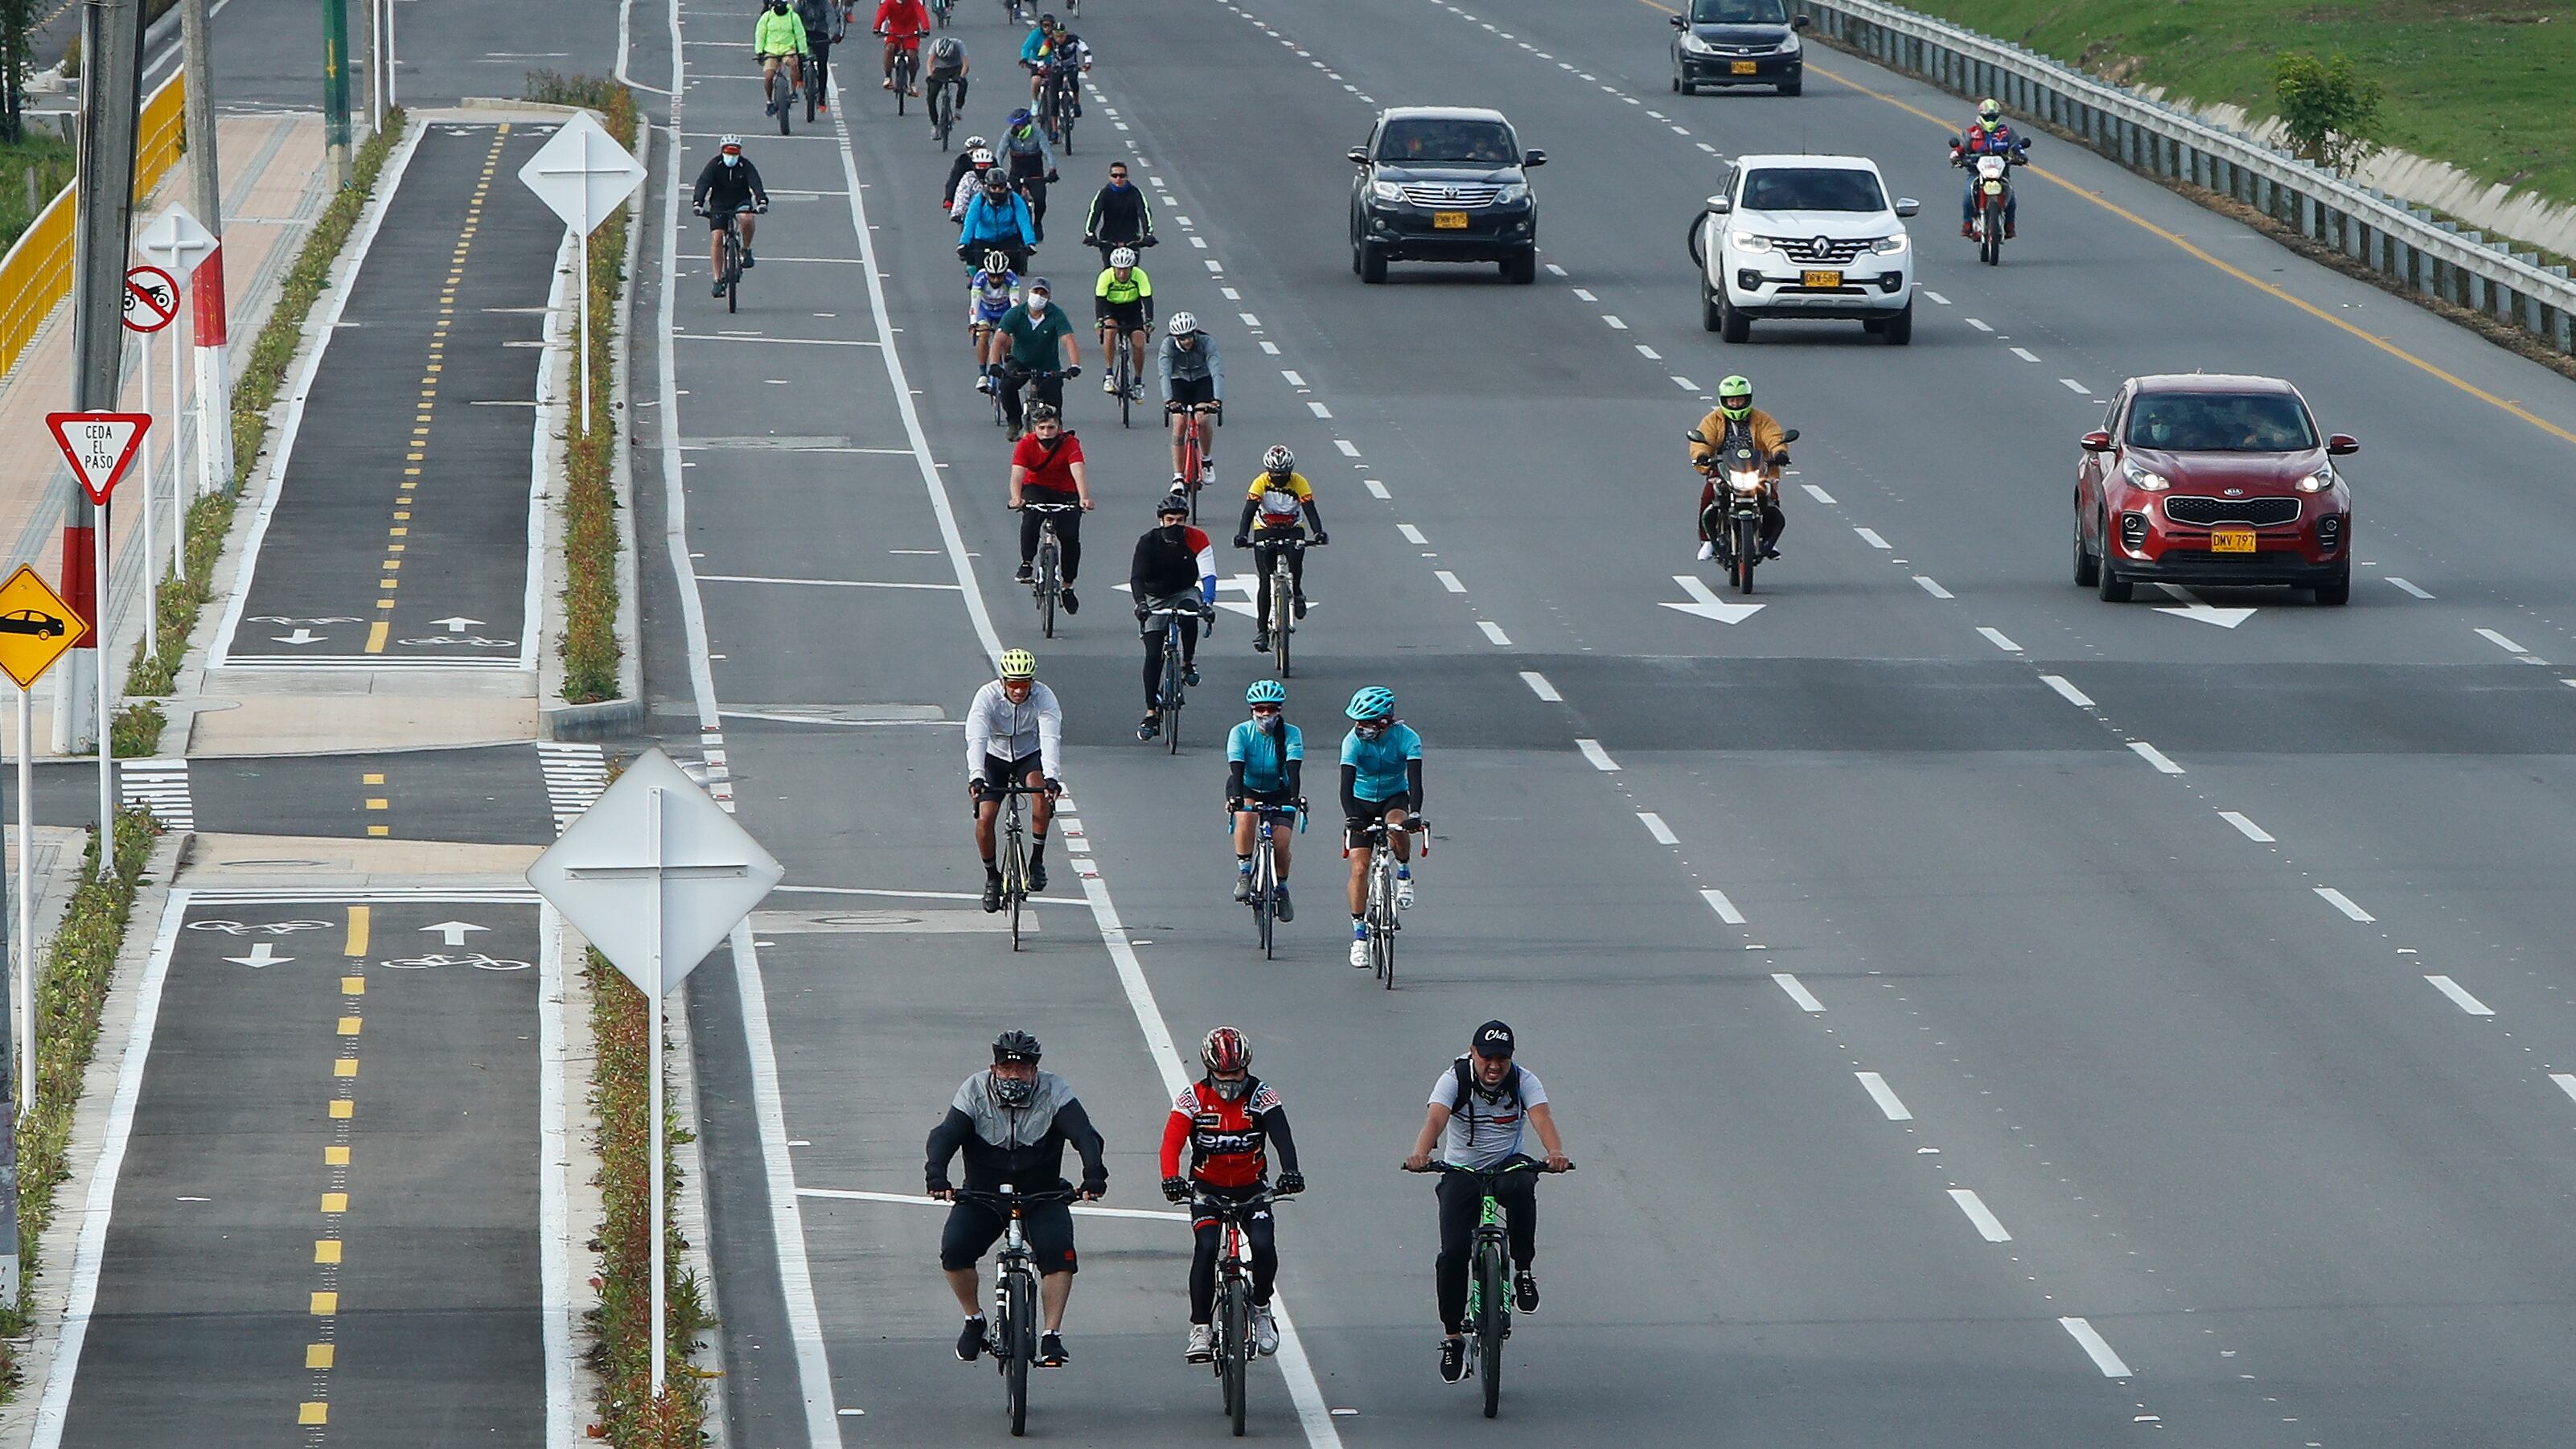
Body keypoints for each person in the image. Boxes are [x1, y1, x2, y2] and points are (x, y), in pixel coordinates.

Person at [926, 1031, 1108, 1369]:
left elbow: (1084, 1134)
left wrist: (1094, 1175)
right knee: (954, 1251)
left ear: (1035, 1071)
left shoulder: (1056, 1091)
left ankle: (1051, 1334)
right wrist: (936, 1176)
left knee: (1059, 1254)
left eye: (1022, 1069)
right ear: (993, 1068)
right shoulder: (974, 1090)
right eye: (1006, 1069)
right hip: (984, 1193)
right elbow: (946, 1135)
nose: (1013, 1075)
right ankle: (973, 1319)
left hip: (1042, 1192)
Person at [1402, 1020, 1571, 1385]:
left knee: (1523, 1185)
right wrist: (1420, 1154)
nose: (1494, 1066)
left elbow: (1541, 1117)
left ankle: (1523, 1271)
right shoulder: (1454, 1079)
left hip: (1507, 1164)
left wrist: (1554, 1152)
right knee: (1452, 1255)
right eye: (1487, 1057)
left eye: (1502, 1059)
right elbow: (1435, 1119)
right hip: (1462, 1170)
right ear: (1472, 1052)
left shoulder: (1524, 1080)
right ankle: (1452, 1338)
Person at [1160, 1027, 1305, 1363]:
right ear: (1209, 1070)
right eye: (1222, 1074)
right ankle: (1200, 1328)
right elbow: (1171, 1143)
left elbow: (1283, 1136)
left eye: (1237, 1073)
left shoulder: (1261, 1095)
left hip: (1252, 1190)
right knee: (1207, 1247)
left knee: (1264, 1245)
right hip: (1207, 1191)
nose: (1230, 1081)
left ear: (1248, 1068)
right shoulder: (1192, 1098)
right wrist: (1171, 1179)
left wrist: (1291, 1171)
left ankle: (1261, 1308)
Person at [963, 649, 1065, 907]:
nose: (1019, 691)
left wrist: (1052, 778)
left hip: (1028, 754)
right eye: (1013, 684)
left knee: (1041, 795)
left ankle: (1036, 861)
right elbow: (976, 738)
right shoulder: (986, 697)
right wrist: (976, 777)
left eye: (1024, 684)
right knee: (985, 817)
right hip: (994, 757)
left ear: (1032, 682)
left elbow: (1050, 738)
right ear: (1003, 682)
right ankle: (992, 877)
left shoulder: (1045, 697)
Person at [1338, 686, 1421, 967]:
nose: (1360, 728)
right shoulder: (1353, 741)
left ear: (1385, 721)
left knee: (1398, 825)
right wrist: (1352, 817)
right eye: (1357, 722)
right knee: (1360, 868)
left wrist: (1417, 813)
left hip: (1394, 797)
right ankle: (1360, 936)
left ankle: (1404, 872)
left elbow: (1416, 781)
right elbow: (1345, 787)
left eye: (1367, 723)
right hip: (1361, 801)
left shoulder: (1407, 738)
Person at [1131, 494, 1218, 741]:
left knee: (1190, 615)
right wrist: (1141, 604)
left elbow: (1209, 574)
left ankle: (1188, 663)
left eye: (1180, 520)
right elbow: (1136, 577)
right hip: (1154, 596)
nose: (1175, 525)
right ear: (1161, 521)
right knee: (1152, 654)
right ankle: (1150, 712)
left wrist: (1208, 604)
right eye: (1170, 520)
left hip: (1184, 591)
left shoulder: (1197, 538)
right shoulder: (1147, 542)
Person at [1233, 445, 1326, 654]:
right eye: (1274, 474)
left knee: (1295, 562)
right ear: (1268, 471)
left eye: (1283, 474)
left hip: (1292, 528)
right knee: (1265, 579)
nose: (1278, 478)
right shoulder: (1260, 482)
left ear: (1290, 471)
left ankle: (1298, 591)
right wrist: (1242, 535)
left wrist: (1318, 532)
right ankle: (1262, 632)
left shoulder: (1299, 482)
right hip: (1265, 529)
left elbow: (1310, 510)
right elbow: (1248, 511)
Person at [1689, 375, 1790, 563]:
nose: (1736, 404)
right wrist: (1702, 455)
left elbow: (1774, 437)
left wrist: (1779, 453)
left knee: (1771, 498)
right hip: (1723, 469)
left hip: (1756, 469)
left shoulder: (1761, 419)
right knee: (1708, 496)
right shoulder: (1713, 420)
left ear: (1748, 399)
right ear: (1724, 401)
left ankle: (1768, 540)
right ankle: (1707, 541)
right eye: (1732, 400)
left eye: (1740, 400)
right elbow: (1702, 440)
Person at [1225, 679, 1303, 916]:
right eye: (1260, 709)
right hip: (1247, 786)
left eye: (1271, 709)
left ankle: (1282, 887)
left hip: (1280, 790)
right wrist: (1236, 800)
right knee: (1246, 819)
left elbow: (1293, 769)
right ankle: (1245, 873)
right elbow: (1236, 768)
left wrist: (1294, 799)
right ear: (1252, 710)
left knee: (1280, 842)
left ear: (1279, 710)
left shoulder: (1291, 733)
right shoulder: (1240, 733)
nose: (1266, 714)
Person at [1008, 404, 1093, 600]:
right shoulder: (1025, 444)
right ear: (1034, 429)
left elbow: (1078, 470)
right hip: (1036, 489)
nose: (1047, 433)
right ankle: (1027, 563)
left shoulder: (1070, 443)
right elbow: (1017, 475)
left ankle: (1068, 586)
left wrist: (1084, 498)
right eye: (1042, 428)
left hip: (1066, 492)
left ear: (1059, 428)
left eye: (1051, 428)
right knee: (1030, 519)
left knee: (1070, 537)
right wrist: (1016, 498)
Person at [995, 279, 1081, 438]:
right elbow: (999, 339)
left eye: (1043, 293)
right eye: (1036, 292)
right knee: (1006, 385)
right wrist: (994, 364)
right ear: (1028, 293)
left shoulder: (1056, 314)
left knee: (1054, 398)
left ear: (1049, 297)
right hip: (1020, 361)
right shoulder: (1015, 313)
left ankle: (1057, 431)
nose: (1039, 296)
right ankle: (1014, 422)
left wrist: (1075, 365)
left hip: (1048, 364)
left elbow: (1068, 339)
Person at [691, 136, 770, 298]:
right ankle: (717, 280)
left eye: (735, 152)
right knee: (717, 238)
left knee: (747, 218)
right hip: (719, 203)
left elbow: (756, 183)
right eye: (728, 151)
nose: (732, 155)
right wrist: (698, 203)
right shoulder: (714, 165)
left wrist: (762, 201)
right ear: (722, 151)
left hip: (740, 200)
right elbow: (703, 183)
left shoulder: (745, 165)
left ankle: (746, 250)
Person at [1157, 311, 1224, 486]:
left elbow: (1216, 372)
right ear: (1175, 337)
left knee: (1202, 419)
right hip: (1179, 381)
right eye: (1182, 338)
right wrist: (1168, 401)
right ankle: (1178, 476)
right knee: (1179, 423)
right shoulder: (1168, 345)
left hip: (1202, 380)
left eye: (1189, 336)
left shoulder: (1206, 342)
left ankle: (1207, 459)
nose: (1187, 341)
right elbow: (1164, 374)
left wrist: (1217, 400)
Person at [1950, 97, 2029, 238]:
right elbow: (1960, 149)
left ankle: (2009, 226)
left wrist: (2021, 156)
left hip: (2001, 173)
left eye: (1994, 117)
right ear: (1981, 116)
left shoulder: (2007, 132)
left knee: (2011, 200)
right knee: (1968, 195)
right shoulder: (1971, 132)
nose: (1991, 120)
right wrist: (1957, 158)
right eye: (1987, 117)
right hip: (1977, 171)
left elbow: (2017, 147)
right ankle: (1967, 224)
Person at [955, 166, 1037, 279]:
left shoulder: (1015, 199)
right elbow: (970, 223)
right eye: (994, 187)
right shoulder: (979, 200)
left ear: (1005, 186)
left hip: (1007, 239)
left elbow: (1024, 222)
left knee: (1012, 274)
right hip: (984, 240)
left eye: (1000, 187)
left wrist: (1030, 243)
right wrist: (964, 243)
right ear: (988, 187)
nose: (997, 190)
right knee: (980, 275)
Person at [1093, 247, 1152, 396]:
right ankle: (1109, 375)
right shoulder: (1106, 276)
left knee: (1139, 344)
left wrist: (1149, 321)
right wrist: (1099, 321)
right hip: (1111, 309)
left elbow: (1147, 300)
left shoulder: (1140, 276)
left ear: (1132, 268)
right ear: (1113, 268)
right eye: (1118, 269)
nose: (1122, 274)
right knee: (1110, 330)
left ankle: (1138, 381)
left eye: (1126, 269)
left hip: (1132, 310)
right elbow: (1099, 302)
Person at [999, 107, 1059, 241]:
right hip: (1016, 173)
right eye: (1014, 125)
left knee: (1040, 200)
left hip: (1035, 174)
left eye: (1019, 125)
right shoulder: (1009, 134)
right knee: (1009, 200)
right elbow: (1001, 152)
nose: (1016, 127)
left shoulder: (1038, 134)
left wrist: (1052, 169)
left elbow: (1047, 152)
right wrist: (996, 169)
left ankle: (1037, 224)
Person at [1083, 160, 1155, 269]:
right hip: (1109, 240)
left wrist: (1148, 234)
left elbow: (1144, 212)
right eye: (1114, 175)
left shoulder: (1135, 193)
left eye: (1122, 176)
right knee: (1108, 272)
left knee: (1134, 272)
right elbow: (1094, 213)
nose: (1118, 179)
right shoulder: (1104, 193)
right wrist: (1090, 234)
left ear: (1126, 177)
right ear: (1110, 177)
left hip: (1131, 239)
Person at [969, 250, 1021, 387]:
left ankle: (1008, 366)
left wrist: (1014, 325)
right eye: (992, 276)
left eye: (999, 276)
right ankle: (982, 374)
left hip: (1004, 311)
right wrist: (974, 323)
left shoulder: (1012, 279)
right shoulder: (979, 278)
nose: (996, 280)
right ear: (987, 273)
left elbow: (1015, 306)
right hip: (985, 311)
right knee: (984, 333)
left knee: (1007, 339)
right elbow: (974, 304)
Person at [753, 0, 810, 115]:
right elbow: (760, 34)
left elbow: (800, 35)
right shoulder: (767, 17)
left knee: (794, 65)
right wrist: (759, 52)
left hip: (787, 49)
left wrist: (803, 51)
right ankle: (769, 101)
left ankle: (793, 92)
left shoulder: (793, 17)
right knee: (768, 76)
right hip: (771, 50)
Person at [792, 0, 846, 111]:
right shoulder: (801, 4)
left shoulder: (826, 5)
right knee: (799, 53)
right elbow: (793, 19)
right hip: (804, 33)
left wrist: (834, 35)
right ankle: (800, 77)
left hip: (821, 34)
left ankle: (821, 97)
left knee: (822, 65)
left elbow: (831, 21)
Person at [873, 0, 928, 92]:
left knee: (912, 55)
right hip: (894, 33)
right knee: (889, 48)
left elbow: (922, 15)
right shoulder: (889, 3)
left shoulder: (914, 3)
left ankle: (912, 82)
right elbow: (881, 14)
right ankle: (888, 77)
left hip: (910, 34)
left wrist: (926, 28)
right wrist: (876, 28)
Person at [925, 34, 970, 132]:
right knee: (931, 96)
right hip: (940, 69)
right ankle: (935, 124)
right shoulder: (935, 45)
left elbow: (966, 65)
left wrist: (961, 77)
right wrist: (930, 76)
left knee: (963, 84)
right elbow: (929, 63)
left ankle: (958, 109)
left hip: (956, 68)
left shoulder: (958, 44)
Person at [1017, 12, 1064, 103]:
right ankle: (1035, 101)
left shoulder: (1056, 35)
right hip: (1038, 62)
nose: (1047, 28)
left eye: (1050, 26)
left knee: (1062, 82)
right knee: (1036, 81)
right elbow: (1027, 47)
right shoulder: (1036, 34)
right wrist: (1024, 58)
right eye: (1045, 25)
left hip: (1053, 63)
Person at [943, 138, 992, 215]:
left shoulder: (991, 160)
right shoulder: (962, 162)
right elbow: (954, 180)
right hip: (969, 197)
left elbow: (1002, 181)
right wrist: (949, 199)